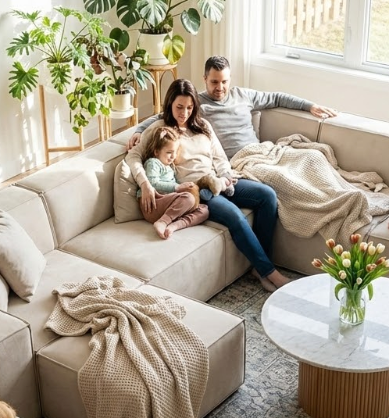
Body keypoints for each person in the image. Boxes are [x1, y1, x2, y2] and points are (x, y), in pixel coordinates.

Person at [127, 78, 290, 291]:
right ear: (169, 105)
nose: (184, 112)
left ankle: (260, 266)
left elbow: (220, 157)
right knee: (234, 215)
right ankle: (271, 274)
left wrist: (226, 176)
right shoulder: (160, 129)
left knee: (267, 195)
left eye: (189, 107)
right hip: (196, 190)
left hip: (218, 181)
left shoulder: (203, 126)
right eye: (179, 107)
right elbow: (133, 157)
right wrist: (146, 184)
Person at [126, 55, 338, 159]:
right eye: (214, 82)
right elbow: (162, 115)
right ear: (205, 79)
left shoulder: (243, 95)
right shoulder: (196, 103)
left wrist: (309, 106)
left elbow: (276, 98)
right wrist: (138, 130)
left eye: (224, 81)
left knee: (313, 157)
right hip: (238, 162)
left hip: (262, 153)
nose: (220, 88)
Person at [139, 126, 208, 239]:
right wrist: (178, 187)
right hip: (152, 204)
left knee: (204, 211)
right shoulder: (153, 163)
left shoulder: (170, 167)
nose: (173, 156)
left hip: (168, 205)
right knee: (188, 198)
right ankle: (162, 222)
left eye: (175, 152)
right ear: (156, 152)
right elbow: (152, 183)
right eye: (169, 152)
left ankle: (173, 226)